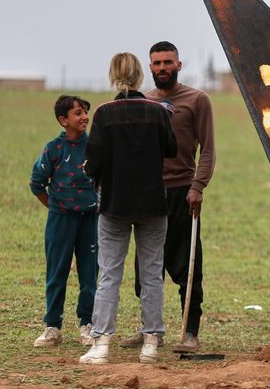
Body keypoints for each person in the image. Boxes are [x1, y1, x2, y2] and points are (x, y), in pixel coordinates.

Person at [79, 52, 177, 364]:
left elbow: (93, 162)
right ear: (139, 76)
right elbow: (171, 149)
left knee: (109, 273)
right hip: (152, 202)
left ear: (113, 75)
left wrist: (91, 169)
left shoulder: (105, 114)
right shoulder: (158, 111)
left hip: (114, 204)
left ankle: (101, 344)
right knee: (151, 274)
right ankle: (151, 341)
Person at [119, 41, 215, 353]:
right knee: (146, 265)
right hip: (148, 194)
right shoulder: (144, 101)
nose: (162, 68)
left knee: (187, 264)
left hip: (183, 193)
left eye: (168, 62)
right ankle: (150, 329)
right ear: (150, 67)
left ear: (179, 65)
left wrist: (197, 186)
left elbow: (208, 149)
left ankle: (190, 332)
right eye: (157, 63)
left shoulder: (197, 100)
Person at [29, 95, 99, 348]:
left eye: (85, 112)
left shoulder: (94, 146)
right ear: (63, 120)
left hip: (90, 220)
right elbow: (36, 182)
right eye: (78, 113)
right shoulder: (53, 149)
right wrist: (56, 206)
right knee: (57, 273)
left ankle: (88, 324)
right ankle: (52, 326)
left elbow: (103, 179)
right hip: (60, 221)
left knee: (90, 274)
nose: (84, 117)